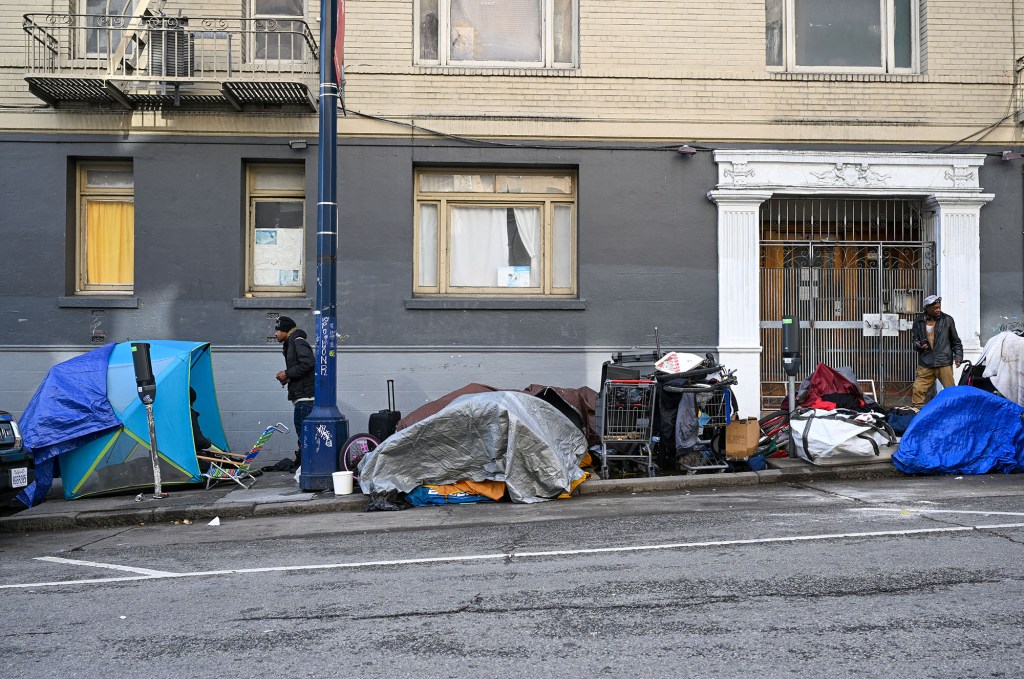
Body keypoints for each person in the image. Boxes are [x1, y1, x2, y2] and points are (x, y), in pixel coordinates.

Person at [274, 316, 315, 468]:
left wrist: (288, 373)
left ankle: (307, 466)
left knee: (304, 434)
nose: (276, 334)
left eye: (278, 330)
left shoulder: (297, 341)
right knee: (302, 434)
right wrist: (288, 378)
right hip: (301, 396)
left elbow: (309, 363)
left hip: (306, 398)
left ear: (285, 330)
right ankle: (304, 465)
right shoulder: (291, 342)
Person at [911, 295, 963, 408]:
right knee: (918, 389)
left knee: (951, 391)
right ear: (927, 308)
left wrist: (958, 356)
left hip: (944, 362)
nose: (938, 310)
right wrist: (919, 345)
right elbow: (914, 342)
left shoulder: (947, 320)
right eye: (935, 308)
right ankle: (917, 413)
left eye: (939, 307)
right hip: (926, 362)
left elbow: (956, 341)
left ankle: (954, 411)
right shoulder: (918, 321)